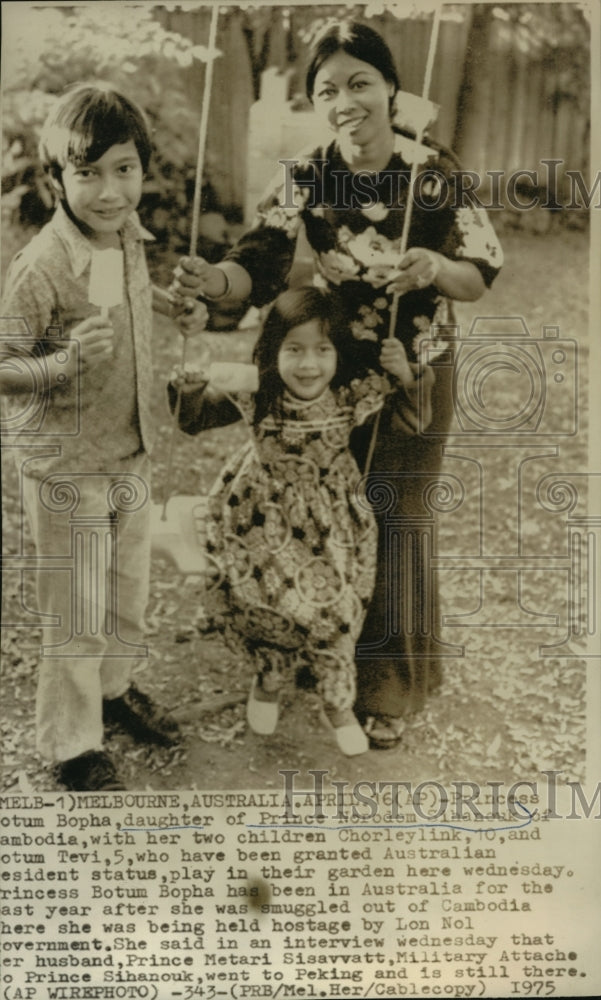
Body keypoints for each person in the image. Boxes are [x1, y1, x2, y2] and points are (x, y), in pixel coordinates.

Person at [170, 21, 503, 749]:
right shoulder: (305, 173)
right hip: (330, 372)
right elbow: (256, 262)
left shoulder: (432, 170)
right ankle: (313, 655)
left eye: (359, 82)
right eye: (327, 89)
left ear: (389, 87)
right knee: (318, 513)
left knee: (395, 516)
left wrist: (431, 266)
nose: (344, 100)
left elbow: (477, 272)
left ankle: (387, 686)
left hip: (412, 368)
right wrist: (211, 280)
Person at [0, 83, 207, 790]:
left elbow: (124, 304)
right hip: (66, 468)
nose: (110, 190)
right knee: (77, 611)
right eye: (88, 173)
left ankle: (114, 694)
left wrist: (170, 305)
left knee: (125, 594)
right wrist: (61, 363)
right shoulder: (40, 266)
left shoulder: (127, 237)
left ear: (144, 171)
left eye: (125, 169)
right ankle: (70, 743)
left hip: (130, 449)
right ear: (57, 177)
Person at [168, 287, 434, 756]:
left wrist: (406, 375)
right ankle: (269, 677)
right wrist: (187, 392)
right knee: (263, 603)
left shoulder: (348, 396)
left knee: (334, 609)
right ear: (273, 352)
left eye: (322, 350)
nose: (308, 365)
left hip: (328, 522)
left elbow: (413, 417)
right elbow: (194, 418)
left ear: (337, 355)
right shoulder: (257, 395)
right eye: (294, 350)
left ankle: (336, 701)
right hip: (257, 516)